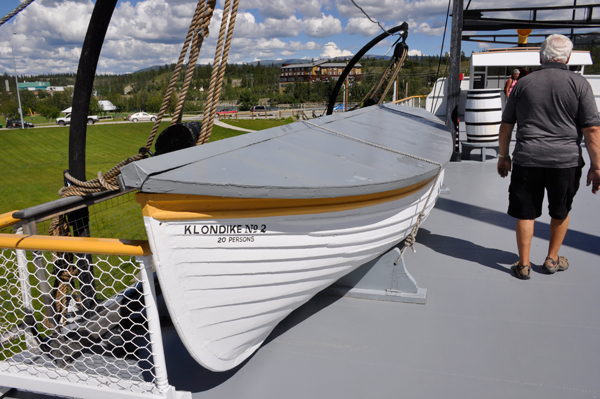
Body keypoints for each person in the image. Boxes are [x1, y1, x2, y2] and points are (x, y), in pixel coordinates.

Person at [497, 34, 600, 280]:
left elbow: (506, 125)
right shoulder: (580, 84)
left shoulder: (523, 84)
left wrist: (503, 156)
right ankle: (552, 260)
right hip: (565, 162)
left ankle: (523, 265)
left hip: (527, 158)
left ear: (541, 56)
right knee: (560, 211)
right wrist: (597, 167)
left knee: (526, 212)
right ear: (569, 57)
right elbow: (592, 130)